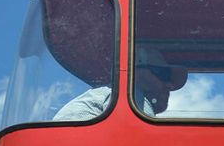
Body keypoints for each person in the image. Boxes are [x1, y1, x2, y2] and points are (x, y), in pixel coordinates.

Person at [53, 47, 187, 121]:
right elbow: (147, 145)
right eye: (163, 75)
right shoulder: (131, 97)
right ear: (135, 72)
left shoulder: (106, 96)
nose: (169, 85)